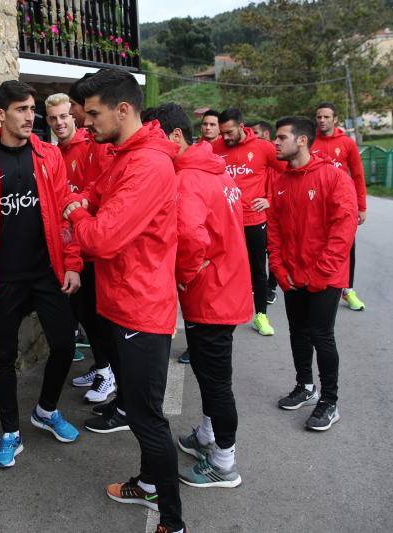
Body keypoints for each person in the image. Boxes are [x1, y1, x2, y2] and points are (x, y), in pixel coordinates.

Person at [63, 69, 185, 533]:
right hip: (124, 302)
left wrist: (74, 209)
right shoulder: (123, 154)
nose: (86, 123)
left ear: (123, 110)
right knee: (138, 410)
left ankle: (172, 523)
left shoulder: (148, 164)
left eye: (92, 114)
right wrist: (82, 201)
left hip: (142, 309)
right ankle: (150, 482)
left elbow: (101, 238)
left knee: (147, 417)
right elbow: (95, 194)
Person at [0, 80, 83, 468]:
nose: (32, 117)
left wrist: (73, 261)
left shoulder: (47, 156)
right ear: (1, 114)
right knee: (4, 354)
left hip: (48, 272)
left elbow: (66, 211)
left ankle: (45, 410)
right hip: (4, 278)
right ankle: (10, 430)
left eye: (33, 109)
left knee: (63, 346)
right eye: (22, 110)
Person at [144, 104, 253, 488]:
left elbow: (191, 238)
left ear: (175, 136)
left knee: (216, 379)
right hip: (225, 286)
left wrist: (186, 277)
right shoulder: (215, 169)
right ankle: (208, 434)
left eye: (156, 139)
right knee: (211, 373)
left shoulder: (188, 177)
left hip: (211, 293)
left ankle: (224, 462)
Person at [269, 117, 358, 431]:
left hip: (325, 276)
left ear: (302, 140)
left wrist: (321, 273)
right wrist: (279, 269)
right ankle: (305, 386)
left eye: (281, 138)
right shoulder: (280, 182)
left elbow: (343, 229)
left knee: (322, 336)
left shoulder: (333, 177)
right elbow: (275, 231)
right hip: (293, 277)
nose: (275, 144)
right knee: (298, 333)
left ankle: (329, 401)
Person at [46, 92, 117, 404]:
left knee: (94, 315)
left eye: (64, 116)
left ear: (72, 116)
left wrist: (80, 209)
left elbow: (98, 192)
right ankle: (102, 365)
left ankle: (108, 372)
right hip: (67, 247)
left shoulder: (91, 146)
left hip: (89, 245)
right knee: (83, 314)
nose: (60, 123)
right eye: (53, 118)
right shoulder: (52, 154)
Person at [213, 108, 284, 337]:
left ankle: (261, 315)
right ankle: (224, 316)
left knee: (257, 270)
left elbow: (287, 173)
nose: (225, 137)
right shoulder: (215, 148)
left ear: (242, 126)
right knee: (225, 270)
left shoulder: (263, 148)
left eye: (229, 132)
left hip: (254, 220)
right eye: (222, 133)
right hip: (225, 221)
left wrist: (270, 200)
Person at [312, 102, 367, 311]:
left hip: (343, 205)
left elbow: (358, 175)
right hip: (316, 203)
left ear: (335, 119)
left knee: (347, 246)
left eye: (326, 117)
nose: (322, 120)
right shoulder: (309, 141)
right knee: (317, 244)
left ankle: (348, 289)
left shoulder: (347, 143)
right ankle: (317, 282)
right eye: (319, 117)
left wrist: (361, 207)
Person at [247, 119, 281, 305]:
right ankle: (256, 287)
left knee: (272, 251)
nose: (251, 136)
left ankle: (271, 287)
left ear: (266, 135)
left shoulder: (274, 154)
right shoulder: (253, 154)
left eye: (256, 133)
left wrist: (271, 200)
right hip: (256, 215)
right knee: (257, 256)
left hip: (274, 213)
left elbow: (285, 181)